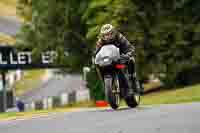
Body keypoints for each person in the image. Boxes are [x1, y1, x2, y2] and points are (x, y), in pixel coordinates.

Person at [95, 24, 141, 95]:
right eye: (105, 35)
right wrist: (95, 59)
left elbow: (130, 48)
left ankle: (133, 80)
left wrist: (127, 55)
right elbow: (96, 53)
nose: (107, 37)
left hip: (121, 57)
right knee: (98, 66)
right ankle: (105, 86)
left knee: (131, 60)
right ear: (102, 35)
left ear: (113, 32)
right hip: (109, 60)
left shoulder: (120, 37)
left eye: (109, 34)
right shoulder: (100, 41)